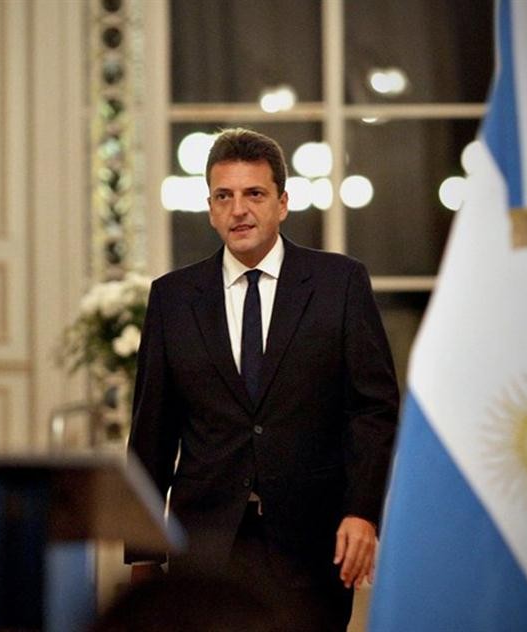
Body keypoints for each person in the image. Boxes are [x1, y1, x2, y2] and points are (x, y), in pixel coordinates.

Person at [125, 128, 399, 631]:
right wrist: (142, 554)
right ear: (210, 208)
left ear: (282, 203)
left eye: (254, 194)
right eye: (223, 196)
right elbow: (152, 432)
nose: (239, 210)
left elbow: (373, 411)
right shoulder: (172, 298)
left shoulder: (339, 284)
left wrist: (363, 512)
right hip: (204, 545)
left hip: (313, 542)